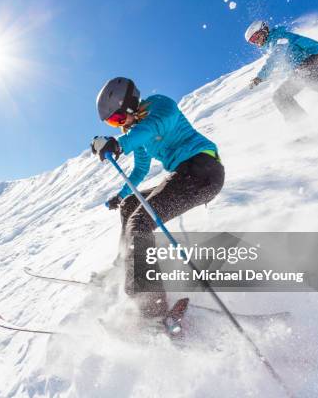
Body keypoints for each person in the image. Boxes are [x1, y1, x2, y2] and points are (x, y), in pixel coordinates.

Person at [90, 77, 225, 321]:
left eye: (118, 118)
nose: (119, 125)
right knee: (131, 204)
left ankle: (152, 311)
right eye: (112, 123)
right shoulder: (136, 131)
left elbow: (153, 127)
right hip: (186, 174)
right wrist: (119, 197)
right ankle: (126, 265)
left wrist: (118, 144)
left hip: (202, 169)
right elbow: (140, 169)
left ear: (129, 103)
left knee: (140, 222)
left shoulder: (159, 106)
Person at [245, 20, 318, 122]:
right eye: (252, 41)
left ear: (264, 30)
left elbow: (275, 57)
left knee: (306, 78)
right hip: (300, 68)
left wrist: (261, 76)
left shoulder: (280, 38)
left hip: (315, 54)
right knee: (280, 96)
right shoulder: (271, 46)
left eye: (255, 37)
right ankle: (302, 125)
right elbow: (282, 61)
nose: (256, 42)